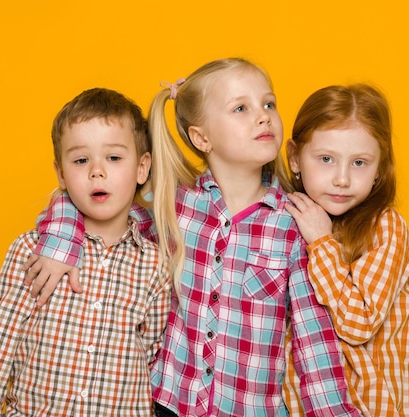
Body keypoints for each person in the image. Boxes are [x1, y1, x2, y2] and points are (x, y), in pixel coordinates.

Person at [23, 58, 360, 417]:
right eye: (241, 108)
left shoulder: (295, 224)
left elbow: (313, 342)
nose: (263, 116)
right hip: (168, 402)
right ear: (202, 138)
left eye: (269, 104)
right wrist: (60, 241)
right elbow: (96, 208)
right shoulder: (175, 204)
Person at [0, 88, 171, 417]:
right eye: (81, 160)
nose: (96, 171)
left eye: (114, 158)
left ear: (143, 168)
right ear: (61, 173)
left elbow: (153, 357)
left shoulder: (156, 265)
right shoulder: (32, 250)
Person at [283, 84, 409, 417]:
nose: (342, 179)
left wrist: (321, 243)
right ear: (295, 158)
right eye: (326, 159)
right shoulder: (288, 217)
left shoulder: (385, 227)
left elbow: (358, 324)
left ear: (379, 169)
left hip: (363, 408)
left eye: (359, 163)